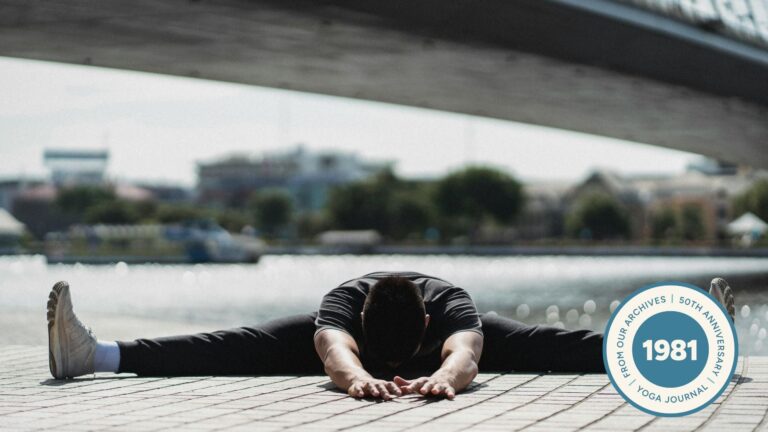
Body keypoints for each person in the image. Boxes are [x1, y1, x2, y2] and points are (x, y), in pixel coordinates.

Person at [46, 272, 736, 400]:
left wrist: (444, 378)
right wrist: (357, 379)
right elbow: (332, 351)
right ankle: (92, 355)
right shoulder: (341, 307)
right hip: (346, 334)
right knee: (238, 344)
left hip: (456, 335)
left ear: (427, 327)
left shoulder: (455, 310)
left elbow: (466, 355)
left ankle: (703, 345)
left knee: (559, 345)